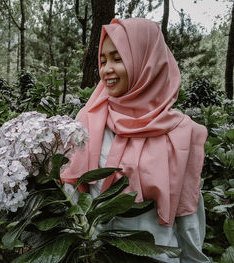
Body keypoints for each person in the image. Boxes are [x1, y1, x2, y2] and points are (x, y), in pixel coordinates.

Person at [60, 18, 210, 263]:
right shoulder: (88, 120)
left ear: (147, 61)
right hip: (97, 254)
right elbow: (73, 193)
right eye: (103, 60)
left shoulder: (182, 132)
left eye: (118, 59)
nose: (107, 68)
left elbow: (188, 213)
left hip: (157, 255)